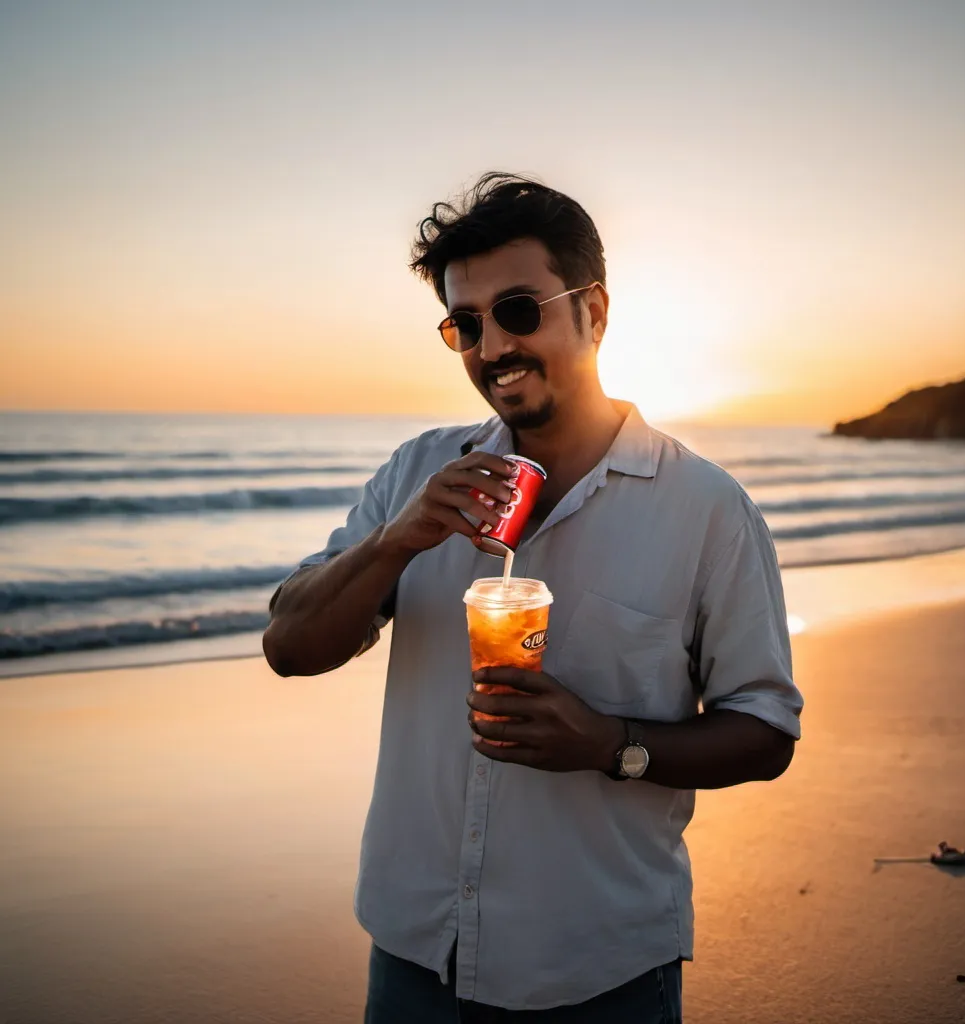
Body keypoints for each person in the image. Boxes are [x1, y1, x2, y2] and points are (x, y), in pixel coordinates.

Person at [263, 172, 804, 1022]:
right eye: (465, 324)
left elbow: (766, 730)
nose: (493, 347)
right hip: (414, 954)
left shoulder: (705, 509)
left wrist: (609, 743)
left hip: (600, 967)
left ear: (593, 312)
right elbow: (289, 649)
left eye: (520, 308)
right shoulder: (417, 472)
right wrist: (397, 540)